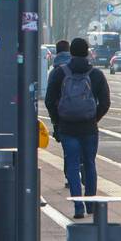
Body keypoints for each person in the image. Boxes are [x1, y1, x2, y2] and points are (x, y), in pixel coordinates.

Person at [44, 37, 110, 219]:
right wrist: (94, 118)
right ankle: (91, 203)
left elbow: (49, 101)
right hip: (89, 128)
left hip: (68, 127)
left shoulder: (59, 73)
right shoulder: (95, 74)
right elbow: (105, 102)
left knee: (72, 165)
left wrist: (58, 121)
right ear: (87, 52)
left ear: (71, 53)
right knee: (89, 164)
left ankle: (78, 206)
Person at [48, 39, 74, 189]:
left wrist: (55, 121)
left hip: (63, 118)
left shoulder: (56, 71)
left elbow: (49, 100)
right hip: (86, 119)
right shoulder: (84, 69)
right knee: (85, 154)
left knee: (68, 151)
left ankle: (70, 177)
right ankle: (86, 178)